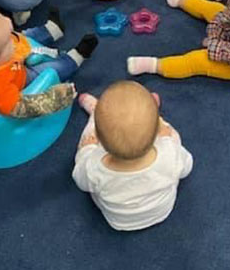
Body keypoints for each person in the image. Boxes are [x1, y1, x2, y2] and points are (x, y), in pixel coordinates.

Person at [72, 81, 193, 231]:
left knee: (86, 143)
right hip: (161, 211)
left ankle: (95, 116)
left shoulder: (95, 167)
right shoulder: (170, 152)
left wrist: (87, 149)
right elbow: (186, 168)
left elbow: (80, 181)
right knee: (171, 135)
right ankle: (151, 114)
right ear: (155, 134)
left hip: (119, 221)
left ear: (101, 142)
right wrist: (166, 136)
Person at [0, 7, 98, 117]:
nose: (12, 41)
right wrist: (53, 99)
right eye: (7, 41)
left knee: (25, 36)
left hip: (8, 62)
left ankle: (52, 30)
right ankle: (77, 56)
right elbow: (21, 107)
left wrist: (8, 40)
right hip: (20, 78)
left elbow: (10, 39)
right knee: (54, 68)